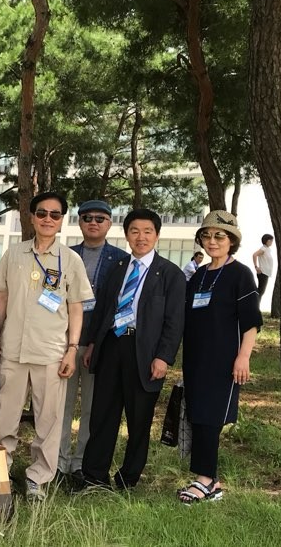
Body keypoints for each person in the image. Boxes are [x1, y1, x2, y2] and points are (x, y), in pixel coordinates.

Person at [0, 191, 93, 501]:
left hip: (51, 353)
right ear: (32, 217)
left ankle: (38, 477)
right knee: (5, 418)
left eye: (55, 214)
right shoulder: (13, 254)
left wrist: (72, 348)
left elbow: (76, 308)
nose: (48, 219)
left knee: (48, 421)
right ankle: (0, 473)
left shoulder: (71, 260)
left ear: (62, 220)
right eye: (42, 213)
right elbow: (2, 298)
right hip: (13, 350)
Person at [81, 208, 185, 491]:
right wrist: (93, 344)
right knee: (103, 414)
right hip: (111, 346)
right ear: (127, 235)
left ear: (157, 235)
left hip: (145, 353)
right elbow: (103, 309)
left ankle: (128, 479)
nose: (141, 237)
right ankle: (94, 476)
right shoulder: (118, 268)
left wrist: (163, 357)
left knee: (139, 420)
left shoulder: (170, 274)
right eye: (135, 231)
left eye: (147, 231)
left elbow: (175, 322)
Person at [178, 210, 261, 504]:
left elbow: (251, 322)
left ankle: (206, 481)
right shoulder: (198, 275)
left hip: (224, 360)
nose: (212, 241)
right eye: (207, 236)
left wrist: (243, 357)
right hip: (195, 358)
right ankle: (208, 479)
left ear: (232, 240)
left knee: (211, 417)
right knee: (197, 415)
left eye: (219, 236)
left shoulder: (241, 274)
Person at [59, 200, 128, 483]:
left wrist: (97, 343)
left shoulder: (121, 260)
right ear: (79, 222)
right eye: (87, 218)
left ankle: (81, 463)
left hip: (97, 345)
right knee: (60, 406)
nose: (93, 223)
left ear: (109, 223)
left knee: (91, 406)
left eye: (100, 218)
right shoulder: (65, 255)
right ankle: (59, 463)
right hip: (64, 342)